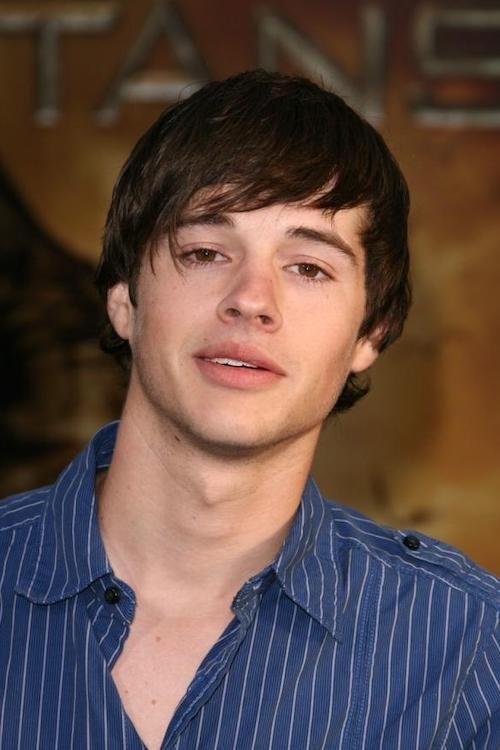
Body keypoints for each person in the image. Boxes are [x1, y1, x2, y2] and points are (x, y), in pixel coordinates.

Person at [0, 70, 498, 750]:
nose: (251, 300)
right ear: (123, 299)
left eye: (308, 267)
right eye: (206, 252)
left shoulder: (467, 653)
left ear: (369, 334)